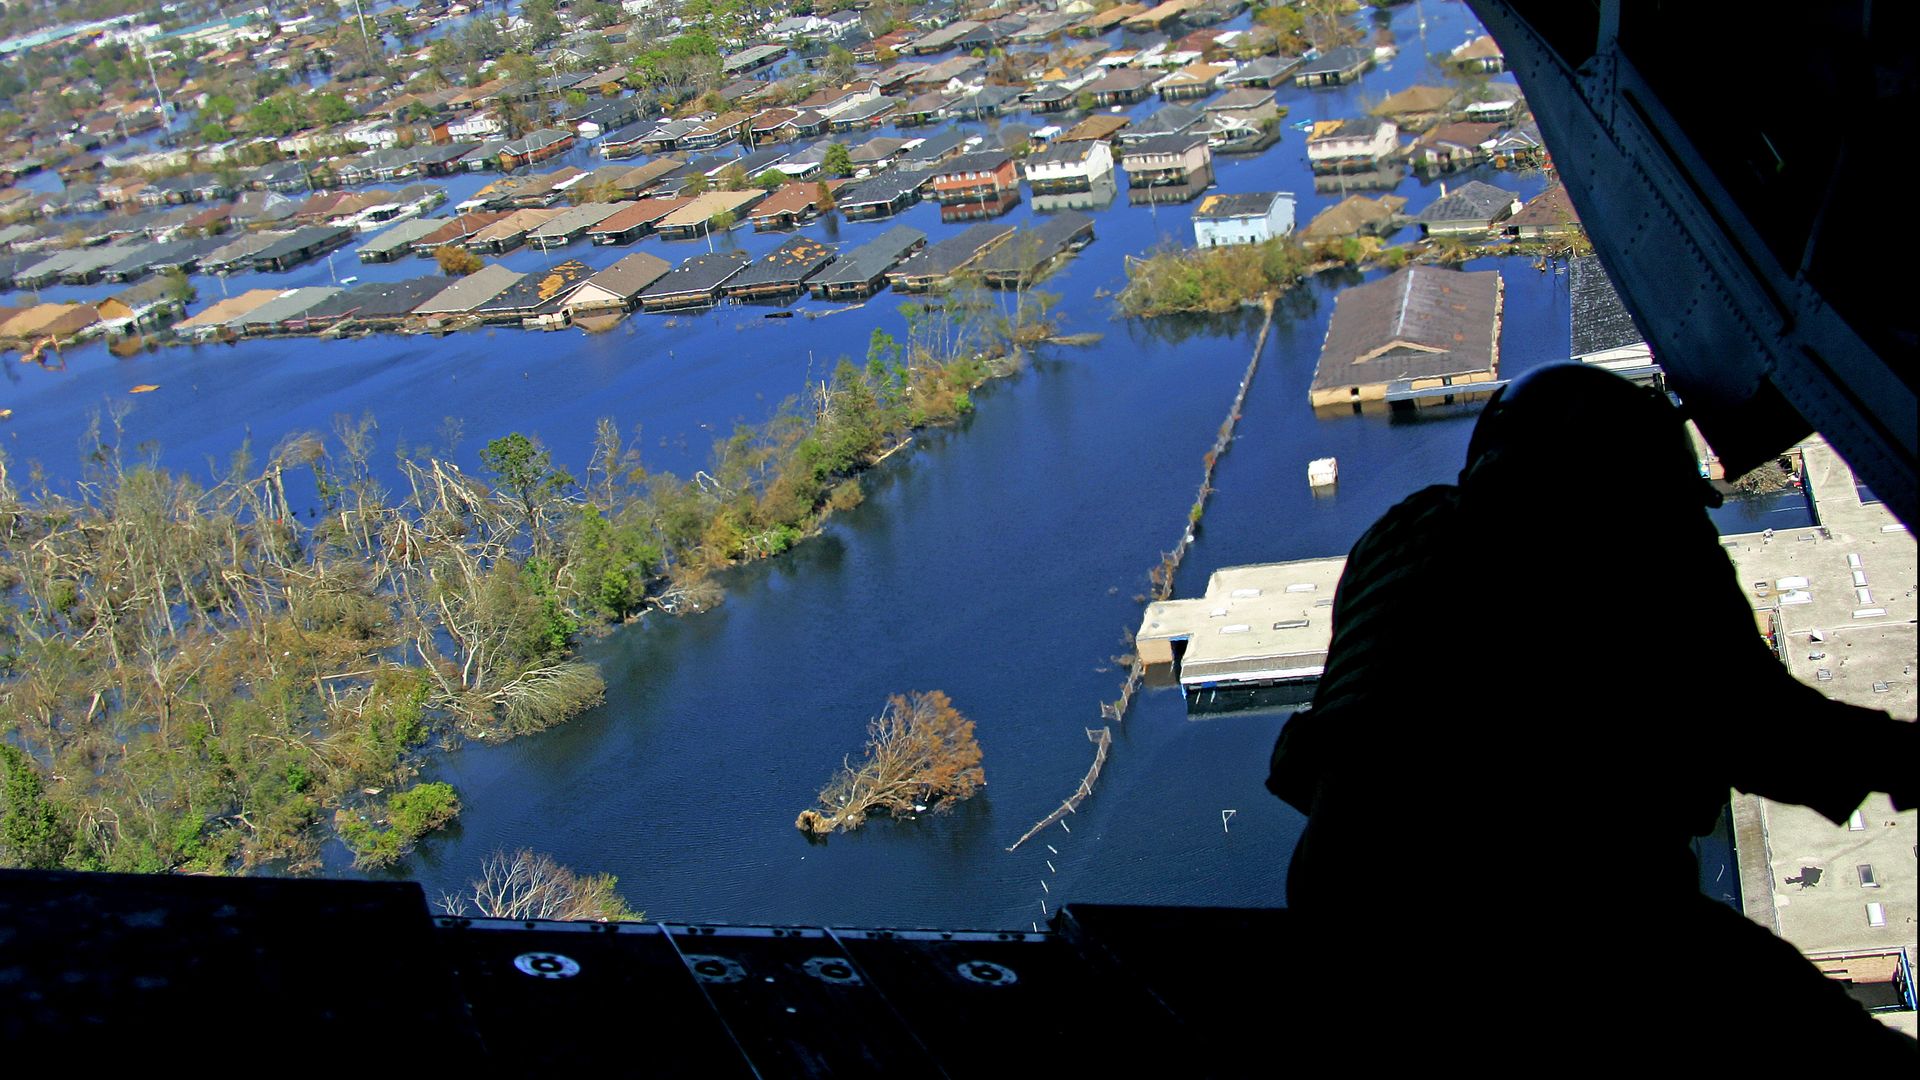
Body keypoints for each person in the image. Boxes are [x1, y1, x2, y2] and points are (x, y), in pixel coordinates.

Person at [1266, 365, 1915, 1064]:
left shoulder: (1398, 534)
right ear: (1634, 479)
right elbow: (1773, 735)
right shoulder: (1637, 543)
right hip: (1571, 928)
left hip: (1342, 912)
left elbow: (1346, 725)